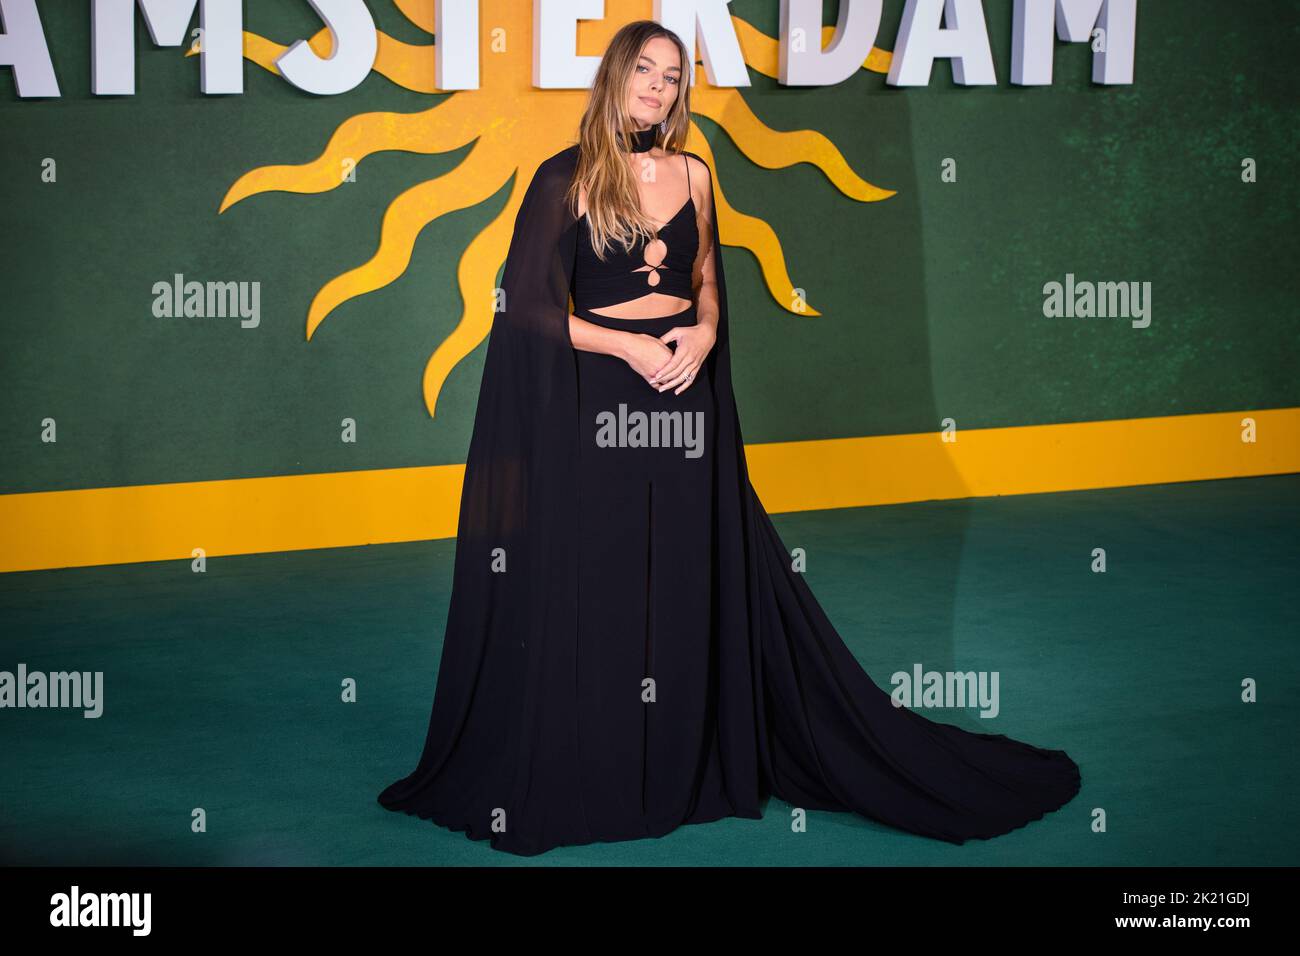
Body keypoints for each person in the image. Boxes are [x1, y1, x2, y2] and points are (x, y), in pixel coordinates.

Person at [377, 20, 1082, 856]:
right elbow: (527, 307)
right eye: (645, 70)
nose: (659, 87)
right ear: (615, 78)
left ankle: (683, 762)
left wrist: (705, 331)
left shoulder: (697, 175)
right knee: (602, 578)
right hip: (601, 403)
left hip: (684, 396)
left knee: (680, 572)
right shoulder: (564, 178)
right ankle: (599, 761)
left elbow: (707, 273)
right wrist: (628, 344)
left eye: (673, 76)